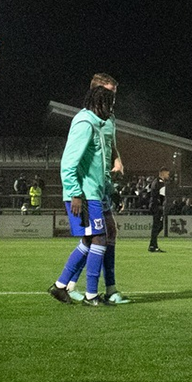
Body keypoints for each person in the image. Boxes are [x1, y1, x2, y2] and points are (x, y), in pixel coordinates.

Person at [50, 74, 128, 305]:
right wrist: (75, 192)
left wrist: (116, 164)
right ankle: (90, 293)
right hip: (86, 192)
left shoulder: (107, 119)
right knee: (97, 238)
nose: (114, 100)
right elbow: (68, 162)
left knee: (101, 236)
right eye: (110, 95)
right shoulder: (85, 122)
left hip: (99, 189)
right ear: (97, 93)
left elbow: (107, 152)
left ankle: (63, 285)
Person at [148, 169, 169, 251]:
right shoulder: (161, 183)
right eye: (167, 174)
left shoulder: (155, 181)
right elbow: (161, 195)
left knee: (157, 226)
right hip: (157, 206)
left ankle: (153, 244)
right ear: (163, 173)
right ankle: (153, 245)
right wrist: (161, 205)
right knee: (158, 226)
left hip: (153, 205)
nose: (168, 176)